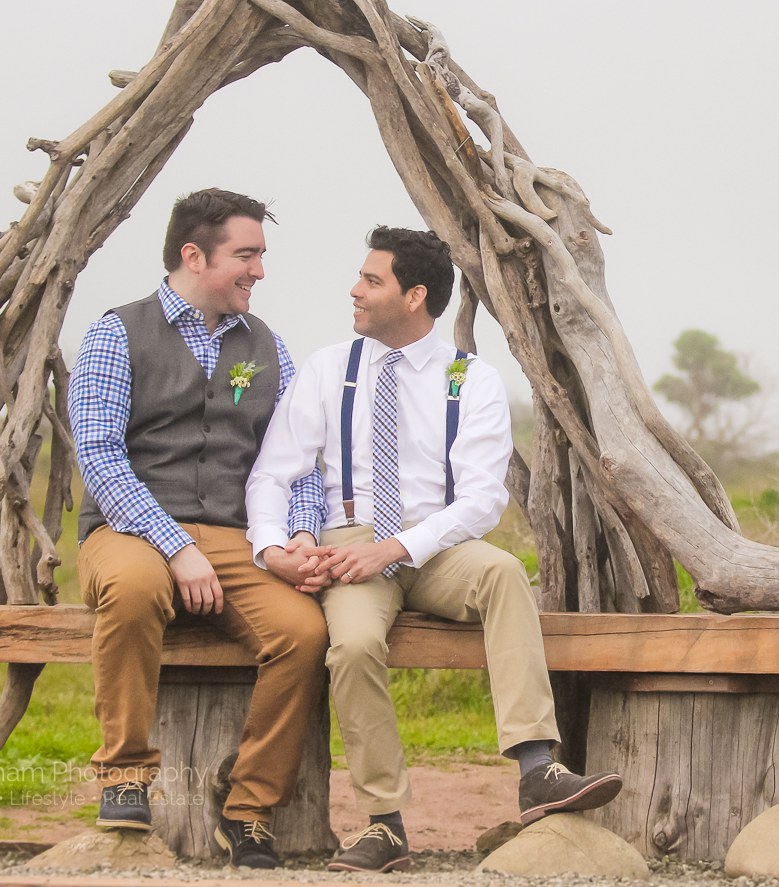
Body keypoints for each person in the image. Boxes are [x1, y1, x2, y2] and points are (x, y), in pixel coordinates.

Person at [246, 226, 623, 873]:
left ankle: (537, 766)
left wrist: (396, 546)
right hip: (349, 546)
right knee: (355, 645)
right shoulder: (330, 367)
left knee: (504, 572)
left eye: (372, 279)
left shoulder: (469, 378)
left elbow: (482, 501)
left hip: (436, 545)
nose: (355, 290)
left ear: (415, 295)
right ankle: (384, 823)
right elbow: (272, 473)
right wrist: (272, 548)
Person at [67, 189, 331, 869]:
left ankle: (247, 808)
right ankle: (124, 775)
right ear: (194, 255)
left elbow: (296, 458)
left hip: (234, 538)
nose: (260, 271)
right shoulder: (116, 332)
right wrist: (176, 547)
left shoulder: (267, 345)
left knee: (302, 632)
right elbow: (99, 454)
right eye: (247, 255)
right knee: (130, 588)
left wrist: (299, 535)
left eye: (261, 256)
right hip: (128, 529)